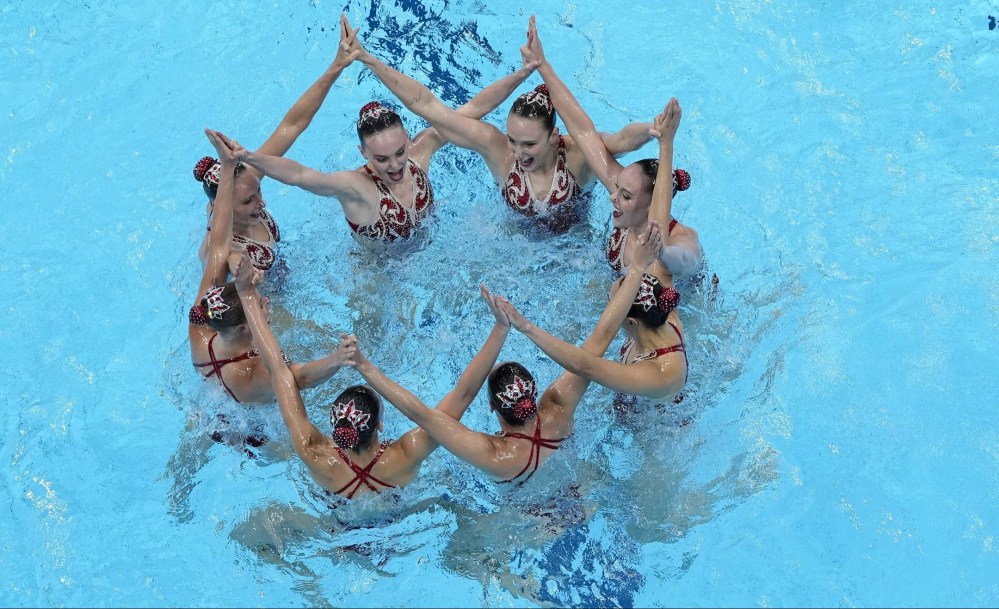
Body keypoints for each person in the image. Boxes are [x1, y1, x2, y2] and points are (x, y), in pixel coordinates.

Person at [349, 225, 664, 484]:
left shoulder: (493, 454)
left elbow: (425, 413)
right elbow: (602, 337)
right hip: (579, 497)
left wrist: (365, 366)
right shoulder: (557, 412)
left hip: (529, 524)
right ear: (535, 392)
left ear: (491, 408)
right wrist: (637, 267)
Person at [226, 15, 541, 244]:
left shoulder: (421, 151)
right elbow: (299, 176)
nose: (395, 165)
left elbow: (474, 109)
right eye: (382, 159)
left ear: (407, 140)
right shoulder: (355, 188)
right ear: (363, 154)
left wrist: (524, 73)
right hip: (379, 278)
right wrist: (250, 158)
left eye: (399, 152)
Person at [340, 16, 657, 234]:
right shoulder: (498, 149)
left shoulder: (577, 156)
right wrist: (369, 60)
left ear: (554, 137)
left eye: (529, 144)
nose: (518, 152)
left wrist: (651, 130)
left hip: (574, 248)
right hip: (514, 245)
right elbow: (429, 107)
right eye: (513, 140)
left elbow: (621, 141)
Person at [240, 270, 515, 499]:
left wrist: (247, 297)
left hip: (340, 530)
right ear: (380, 424)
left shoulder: (315, 455)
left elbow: (279, 371)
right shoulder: (406, 455)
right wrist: (500, 328)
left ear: (335, 425)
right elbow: (462, 395)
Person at [522, 16, 704, 282]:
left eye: (626, 195)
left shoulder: (682, 242)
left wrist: (662, 252)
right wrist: (542, 65)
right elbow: (583, 131)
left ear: (653, 203)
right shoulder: (626, 212)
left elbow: (684, 262)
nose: (613, 197)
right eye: (618, 188)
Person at [189, 130, 351, 405]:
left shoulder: (200, 327)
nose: (264, 302)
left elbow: (219, 245)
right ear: (244, 328)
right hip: (254, 426)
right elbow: (299, 379)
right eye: (258, 305)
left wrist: (228, 165)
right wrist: (338, 359)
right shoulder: (250, 371)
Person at [193, 16, 361, 271]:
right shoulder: (222, 249)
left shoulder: (248, 175)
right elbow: (213, 270)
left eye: (258, 191)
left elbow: (293, 125)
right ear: (221, 207)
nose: (261, 203)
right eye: (248, 201)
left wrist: (336, 67)